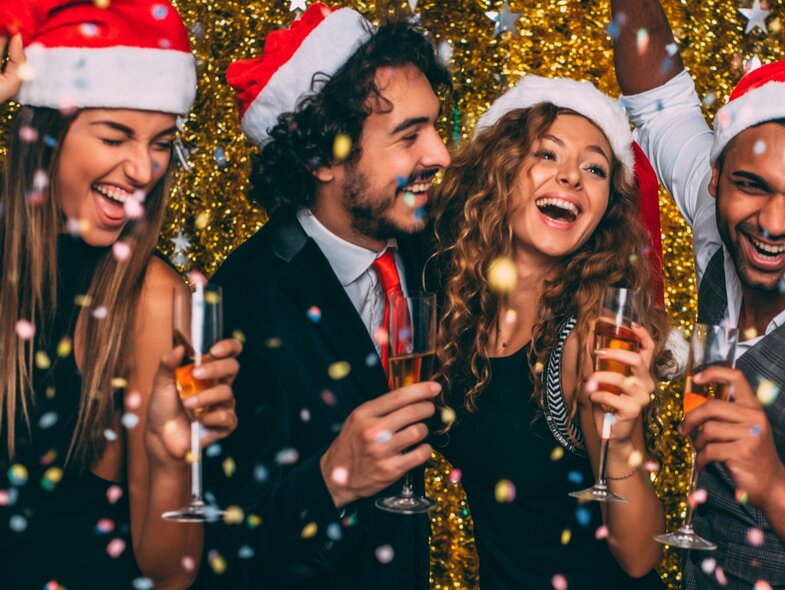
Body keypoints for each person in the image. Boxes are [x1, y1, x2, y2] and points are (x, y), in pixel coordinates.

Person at [609, 0, 785, 587]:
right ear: (715, 175)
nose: (773, 221)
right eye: (751, 187)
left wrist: (775, 485)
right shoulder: (721, 226)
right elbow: (659, 99)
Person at [199, 4, 451, 589]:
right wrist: (331, 478)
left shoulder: (429, 249)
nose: (438, 154)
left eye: (436, 128)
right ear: (320, 158)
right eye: (409, 136)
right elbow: (217, 541)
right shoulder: (243, 302)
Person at [0, 0, 242, 588]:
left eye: (161, 143)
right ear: (45, 132)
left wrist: (169, 461)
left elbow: (172, 572)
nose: (142, 169)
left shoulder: (151, 296)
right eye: (115, 137)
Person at [430, 75, 668, 589]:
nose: (571, 178)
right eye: (548, 155)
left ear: (607, 206)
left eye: (595, 168)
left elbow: (639, 556)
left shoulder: (588, 335)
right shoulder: (455, 303)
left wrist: (622, 439)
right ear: (500, 170)